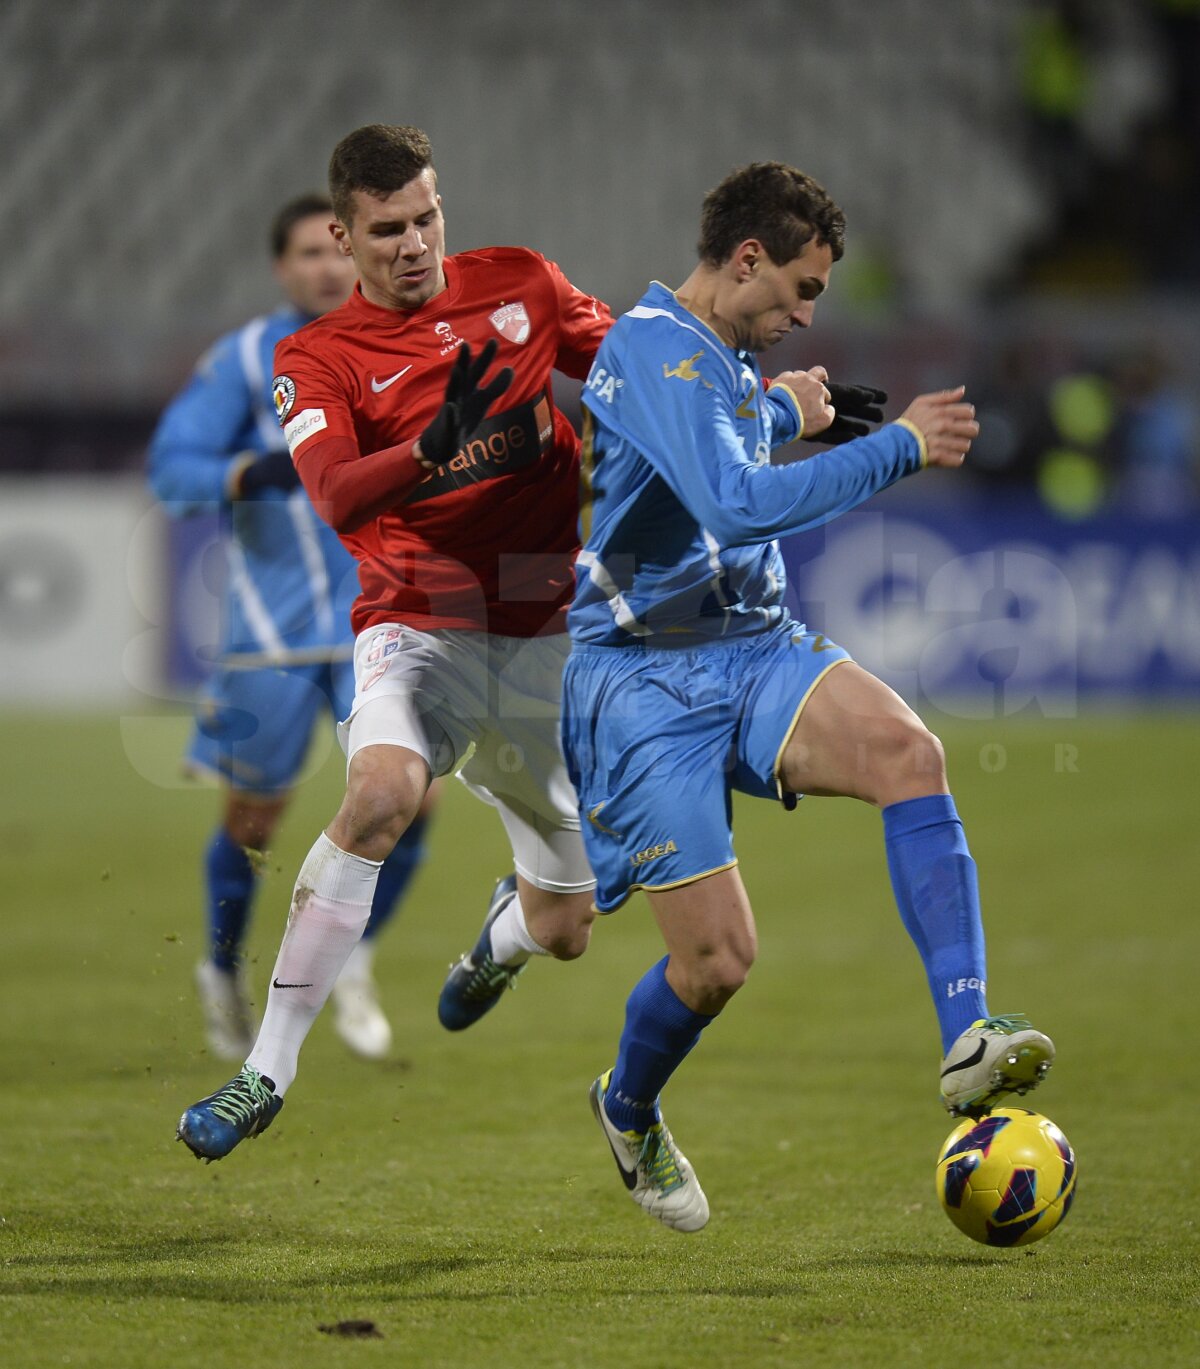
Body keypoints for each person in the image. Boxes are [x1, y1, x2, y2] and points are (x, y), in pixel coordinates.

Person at [558, 162, 1056, 1233]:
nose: (806, 310)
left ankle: (967, 1038)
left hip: (750, 647)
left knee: (909, 754)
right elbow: (733, 507)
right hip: (642, 680)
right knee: (717, 961)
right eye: (802, 287)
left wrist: (784, 410)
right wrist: (899, 447)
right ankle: (627, 1103)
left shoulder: (727, 357)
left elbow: (713, 461)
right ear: (746, 260)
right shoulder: (650, 346)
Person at [176, 125, 613, 1161]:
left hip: (543, 633)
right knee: (378, 794)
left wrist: (774, 403)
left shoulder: (523, 285)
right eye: (387, 229)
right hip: (417, 623)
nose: (414, 244)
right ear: (344, 233)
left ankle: (500, 937)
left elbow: (643, 371)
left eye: (427, 219)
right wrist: (428, 447)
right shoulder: (316, 357)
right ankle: (264, 1071)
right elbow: (332, 493)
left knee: (567, 929)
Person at [148, 194, 434, 1064]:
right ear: (282, 267)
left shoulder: (410, 342)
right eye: (306, 253)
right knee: (254, 821)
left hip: (378, 624)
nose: (324, 266)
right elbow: (171, 467)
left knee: (415, 800)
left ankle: (353, 962)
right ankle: (222, 968)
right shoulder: (244, 358)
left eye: (333, 249)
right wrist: (250, 468)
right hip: (270, 633)